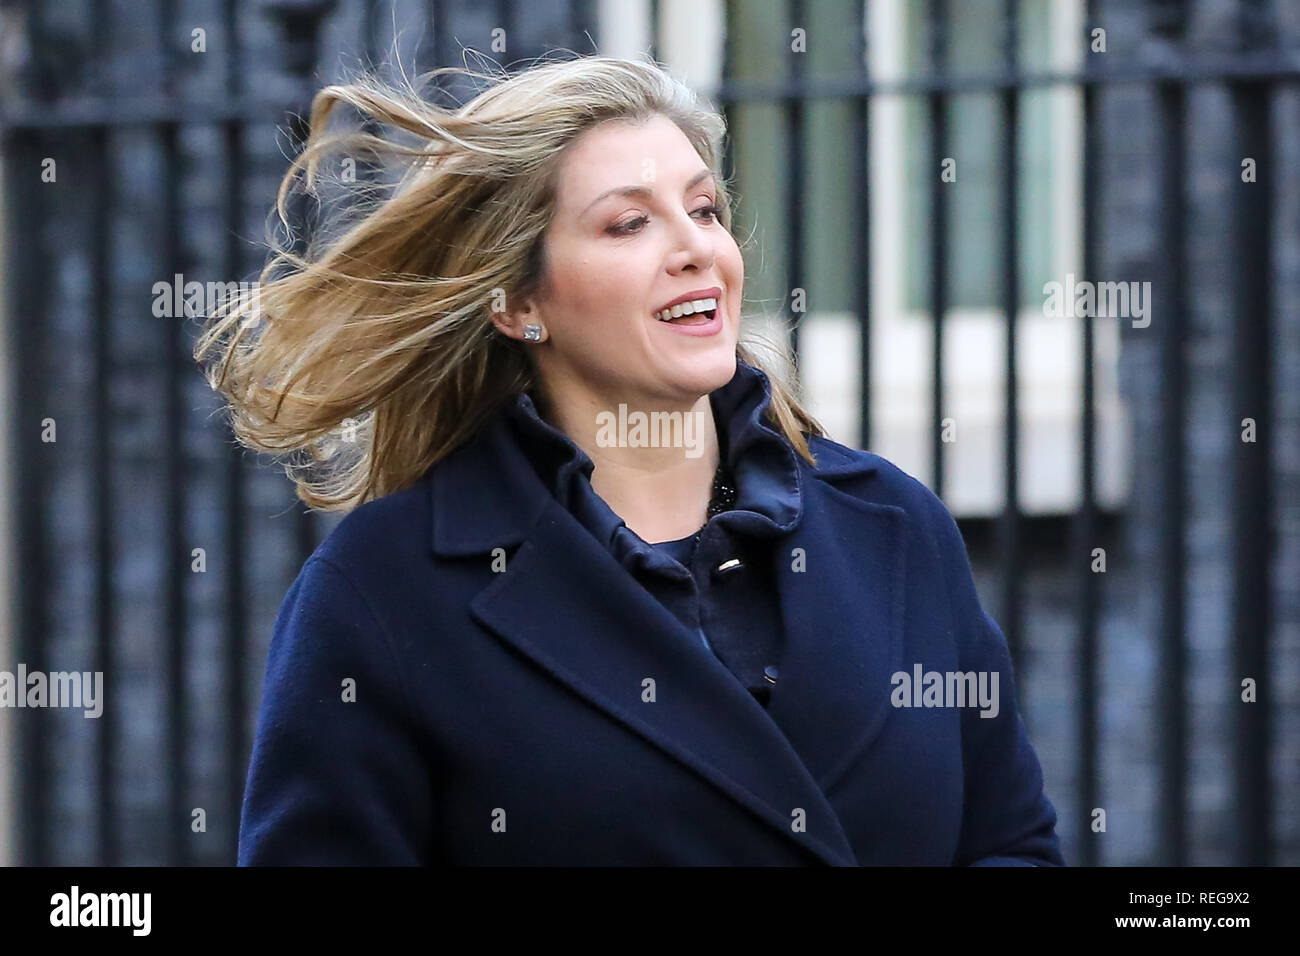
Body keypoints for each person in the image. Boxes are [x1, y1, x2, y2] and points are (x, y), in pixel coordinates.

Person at [196, 53, 1065, 866]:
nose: (694, 247)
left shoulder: (894, 526)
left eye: (705, 209)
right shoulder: (385, 591)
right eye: (628, 223)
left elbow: (1011, 843)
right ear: (519, 302)